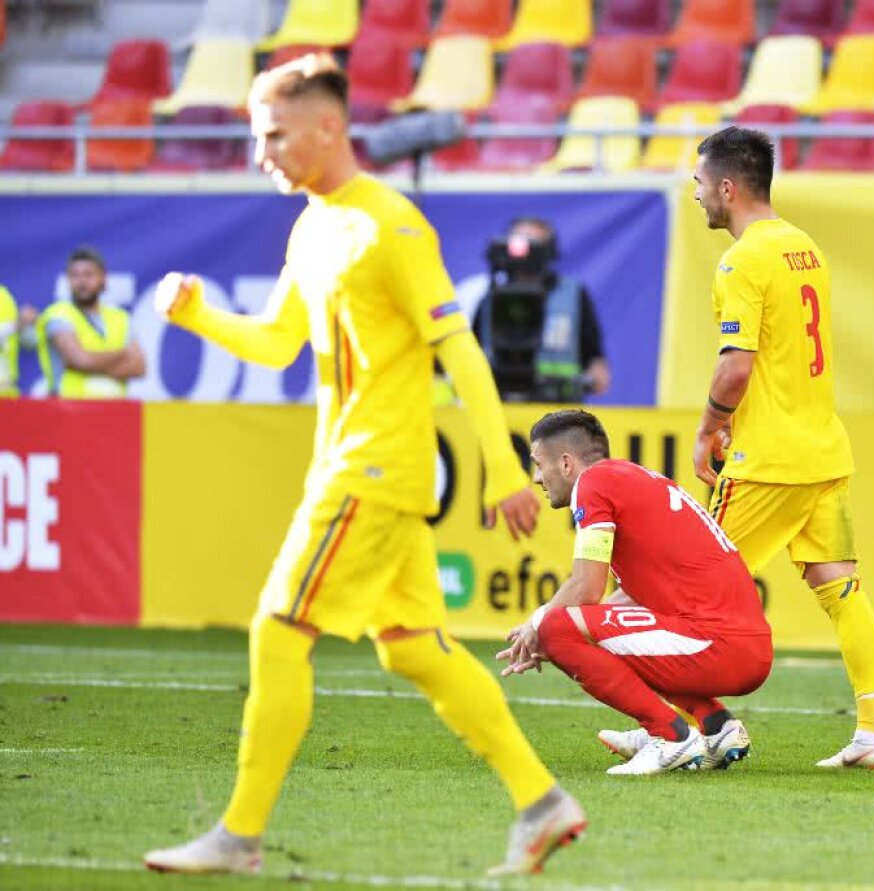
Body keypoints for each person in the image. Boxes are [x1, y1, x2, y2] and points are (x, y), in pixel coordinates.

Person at [142, 54, 584, 879]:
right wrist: (199, 314)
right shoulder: (313, 225)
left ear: (327, 127)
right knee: (413, 647)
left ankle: (239, 835)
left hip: (370, 470)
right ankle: (543, 801)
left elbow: (463, 353)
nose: (261, 151)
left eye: (273, 134)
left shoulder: (390, 224)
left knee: (278, 628)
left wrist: (502, 465)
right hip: (356, 469)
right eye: (254, 134)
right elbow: (278, 343)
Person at [690, 127, 874, 771]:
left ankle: (682, 726)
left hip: (769, 463)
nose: (695, 196)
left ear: (727, 187)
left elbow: (734, 370)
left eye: (699, 184)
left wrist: (709, 428)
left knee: (687, 586)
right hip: (824, 454)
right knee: (842, 592)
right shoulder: (805, 248)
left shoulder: (742, 259)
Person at [498, 410, 772, 776]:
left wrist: (539, 625)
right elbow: (621, 601)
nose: (536, 478)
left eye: (537, 464)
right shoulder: (629, 478)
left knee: (556, 627)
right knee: (576, 629)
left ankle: (669, 735)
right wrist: (576, 633)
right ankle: (715, 726)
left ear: (565, 463)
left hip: (719, 644)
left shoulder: (593, 484)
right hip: (741, 645)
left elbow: (586, 588)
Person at [471, 217, 611, 401]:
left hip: (558, 411)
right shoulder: (489, 297)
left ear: (549, 249)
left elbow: (596, 363)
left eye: (533, 242)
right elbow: (472, 353)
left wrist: (590, 378)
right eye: (518, 239)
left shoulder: (572, 295)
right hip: (501, 407)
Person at [35, 246, 145, 398]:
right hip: (67, 410)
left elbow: (139, 367)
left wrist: (90, 362)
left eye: (88, 275)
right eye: (75, 275)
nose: (82, 282)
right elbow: (80, 360)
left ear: (103, 278)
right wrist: (123, 354)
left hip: (114, 412)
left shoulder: (120, 318)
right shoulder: (58, 315)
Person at [0, 284, 38, 397]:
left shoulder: (3, 294)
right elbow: (13, 327)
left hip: (8, 391)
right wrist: (16, 325)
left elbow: (21, 339)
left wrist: (29, 327)